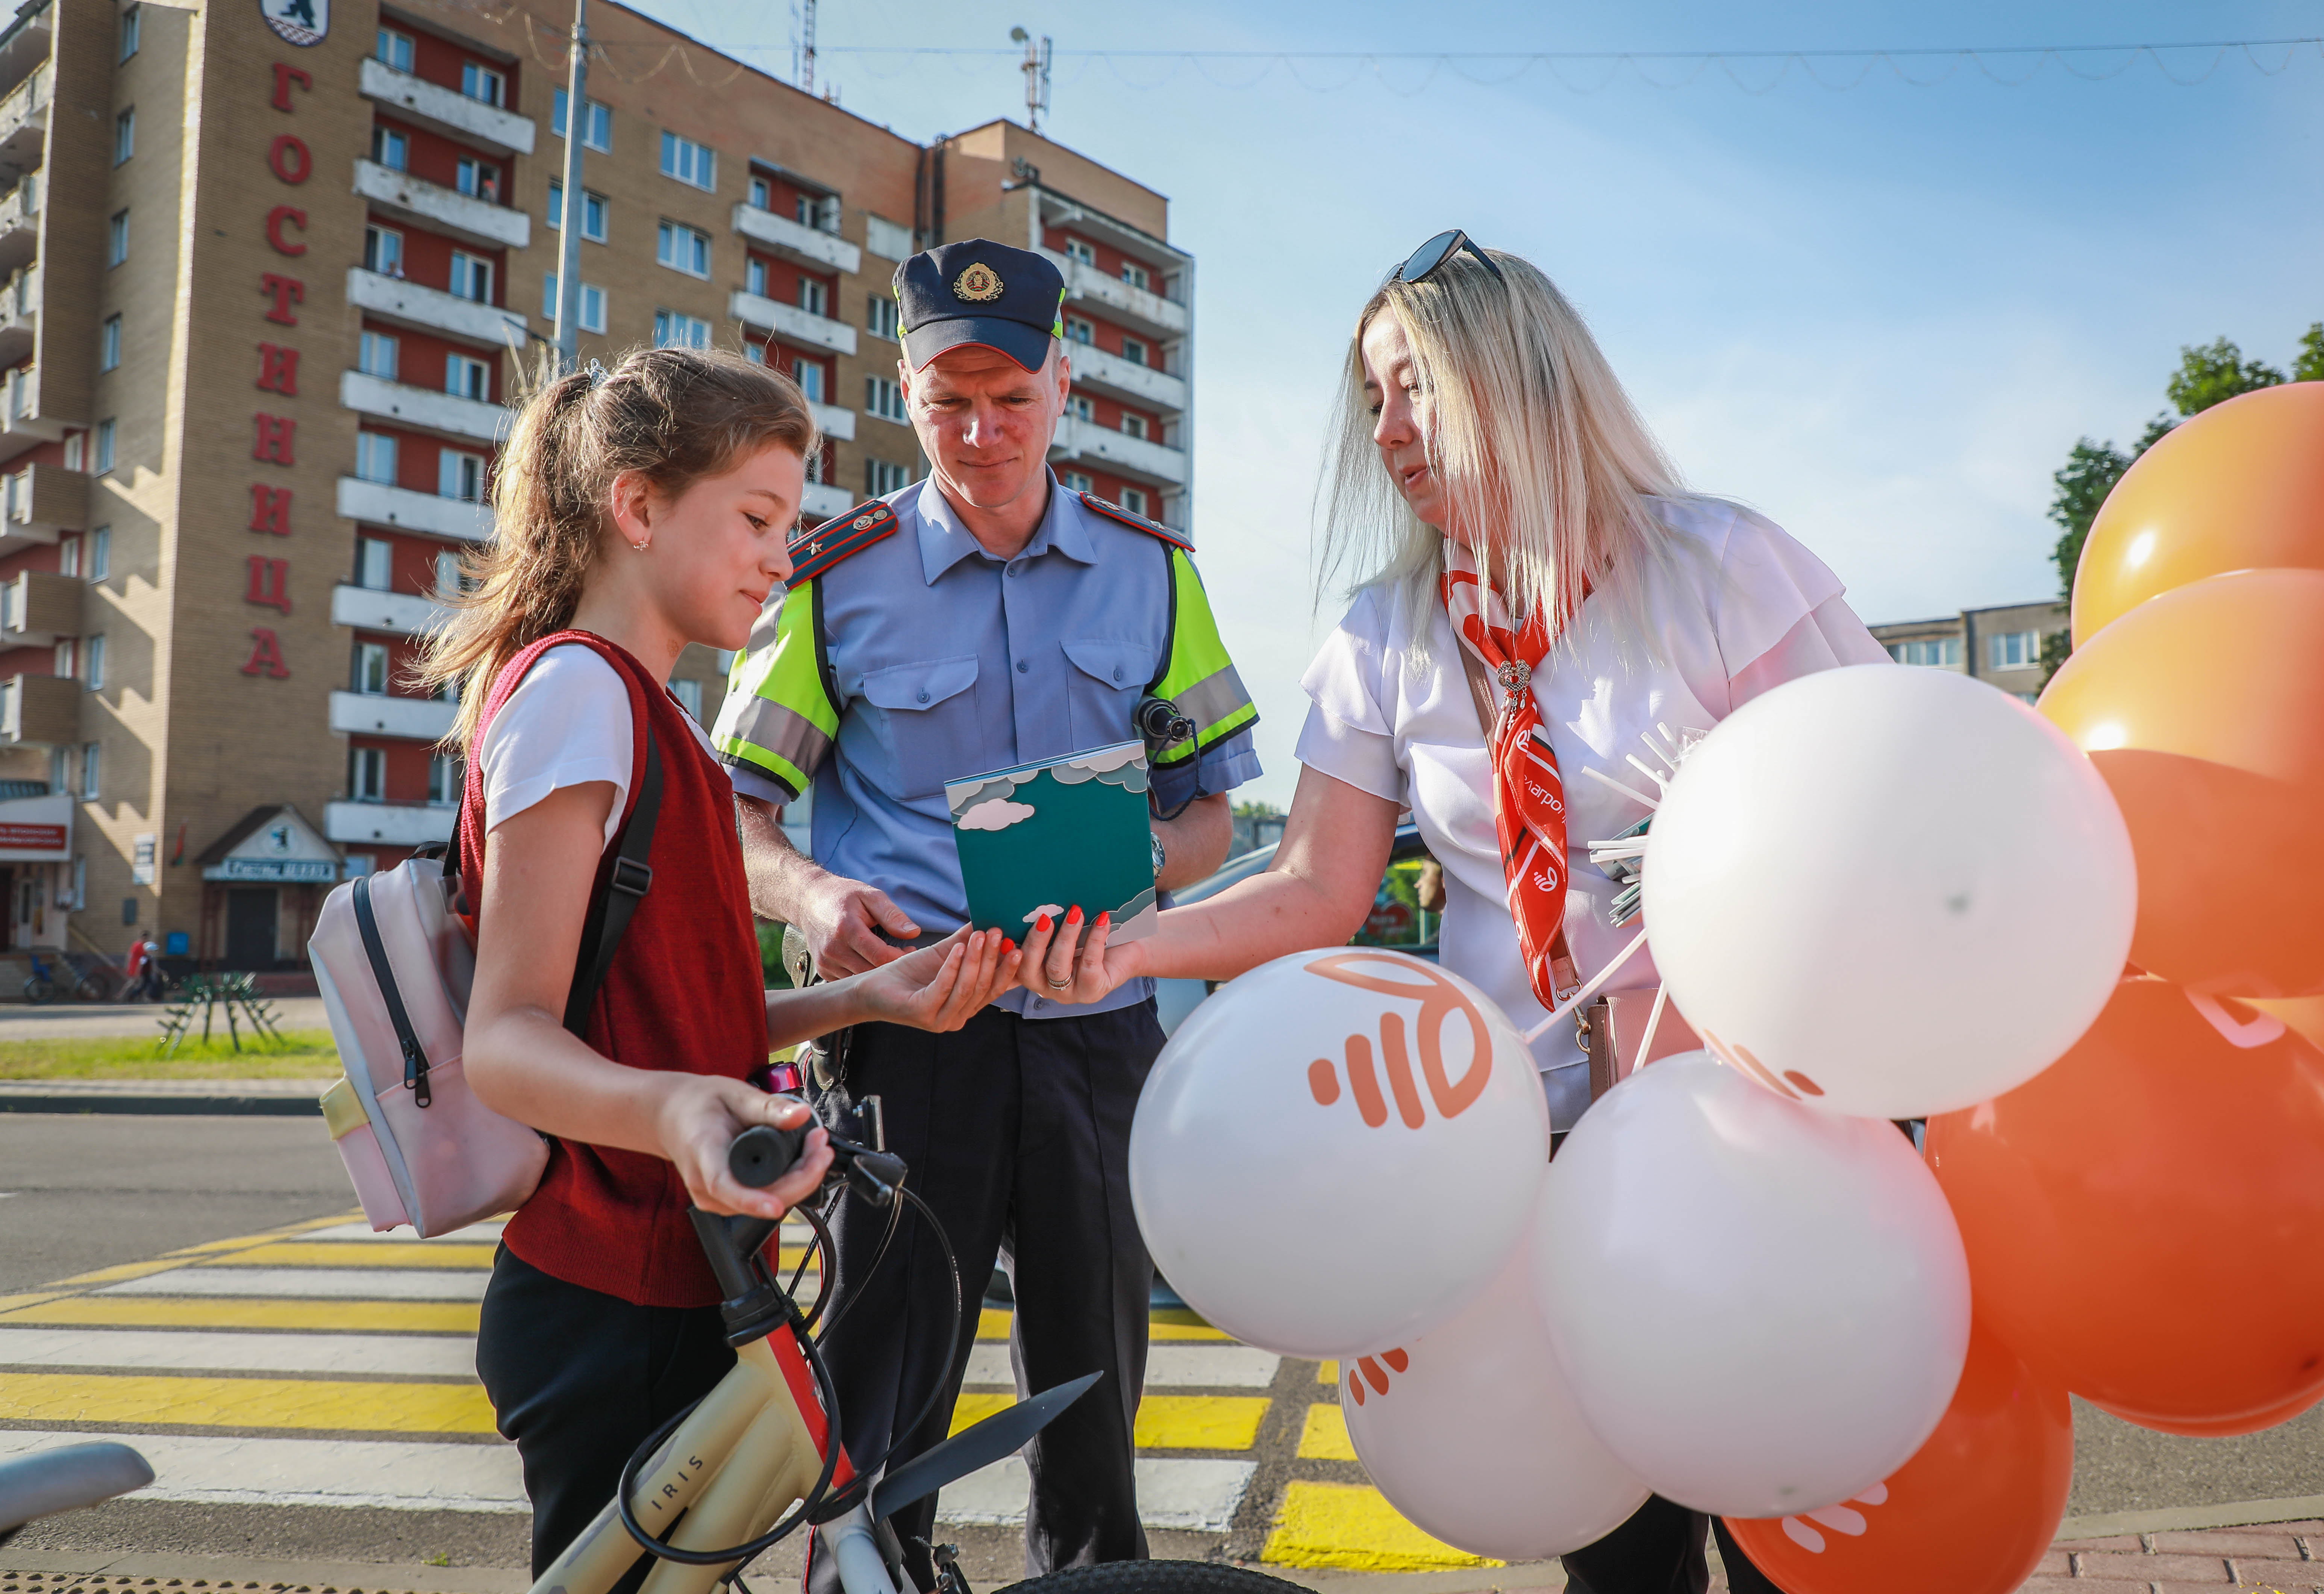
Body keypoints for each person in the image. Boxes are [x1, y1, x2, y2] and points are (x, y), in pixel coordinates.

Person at [1042, 233, 1889, 1594]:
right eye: (1369, 400)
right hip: (1524, 1152)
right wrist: (1133, 942)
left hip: (1752, 1133)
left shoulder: (1725, 570)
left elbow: (1878, 824)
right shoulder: (1384, 637)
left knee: (1790, 1520)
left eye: (1413, 388)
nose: (1385, 430)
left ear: (1521, 379)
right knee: (1617, 1551)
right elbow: (1318, 887)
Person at [420, 346, 1030, 1582]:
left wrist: (865, 998)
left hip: (684, 1264)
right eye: (756, 519)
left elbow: (669, 1007)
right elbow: (511, 1037)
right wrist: (683, 1111)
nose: (781, 553)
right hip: (612, 1289)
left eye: (792, 524)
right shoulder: (577, 696)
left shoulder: (656, 717)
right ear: (637, 509)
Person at [711, 239, 1262, 1585]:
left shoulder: (1156, 576)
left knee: (1095, 1407)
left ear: (1063, 382)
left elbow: (1214, 815)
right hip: (910, 1042)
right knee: (880, 1413)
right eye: (948, 399)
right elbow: (735, 818)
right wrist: (817, 893)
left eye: (1011, 396)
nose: (982, 430)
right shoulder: (833, 577)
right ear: (904, 393)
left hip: (1099, 1033)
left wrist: (1137, 885)